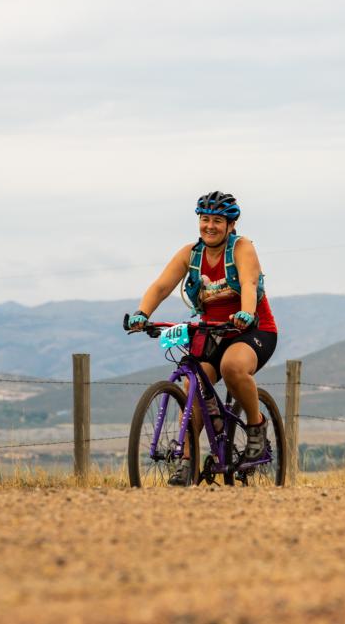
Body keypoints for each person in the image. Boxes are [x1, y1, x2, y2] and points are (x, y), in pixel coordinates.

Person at [128, 191, 278, 485]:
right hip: (211, 330)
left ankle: (256, 428)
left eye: (218, 221)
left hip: (252, 329)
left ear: (231, 225)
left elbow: (248, 283)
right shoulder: (191, 254)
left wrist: (246, 313)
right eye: (205, 219)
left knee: (232, 367)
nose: (210, 226)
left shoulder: (242, 248)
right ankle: (187, 462)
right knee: (193, 385)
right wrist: (141, 313)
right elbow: (161, 286)